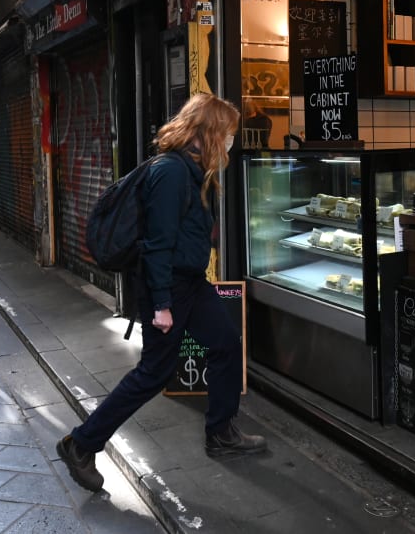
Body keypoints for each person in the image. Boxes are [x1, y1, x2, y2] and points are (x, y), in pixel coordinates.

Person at [57, 93, 266, 493]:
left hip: (189, 282)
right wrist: (163, 306)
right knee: (152, 374)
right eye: (228, 134)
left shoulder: (192, 171)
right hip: (168, 287)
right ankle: (81, 444)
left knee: (224, 343)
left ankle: (221, 431)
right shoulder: (171, 172)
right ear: (209, 131)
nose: (230, 143)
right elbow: (156, 245)